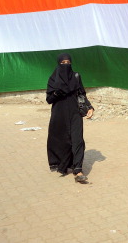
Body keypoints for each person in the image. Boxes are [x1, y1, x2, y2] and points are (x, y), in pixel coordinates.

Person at [46, 53, 94, 183]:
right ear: (59, 63)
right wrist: (56, 93)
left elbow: (81, 94)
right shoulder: (53, 79)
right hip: (59, 114)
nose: (66, 65)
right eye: (63, 63)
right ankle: (64, 164)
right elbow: (49, 99)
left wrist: (89, 107)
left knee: (78, 140)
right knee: (62, 140)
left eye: (68, 62)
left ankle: (78, 170)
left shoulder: (76, 76)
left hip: (75, 113)